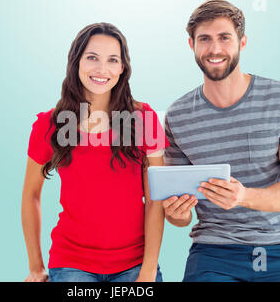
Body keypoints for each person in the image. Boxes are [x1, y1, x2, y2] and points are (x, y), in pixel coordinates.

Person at [162, 0, 280, 282]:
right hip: (213, 251)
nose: (215, 49)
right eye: (204, 39)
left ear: (242, 42)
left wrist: (243, 196)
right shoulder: (177, 115)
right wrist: (176, 214)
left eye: (224, 38)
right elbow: (180, 216)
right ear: (191, 45)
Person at [21, 22, 169, 282]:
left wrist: (148, 271)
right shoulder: (49, 124)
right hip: (71, 264)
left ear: (123, 68)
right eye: (92, 58)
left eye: (113, 60)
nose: (102, 69)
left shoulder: (144, 119)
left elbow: (155, 200)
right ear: (76, 61)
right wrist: (36, 267)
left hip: (135, 264)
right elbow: (31, 194)